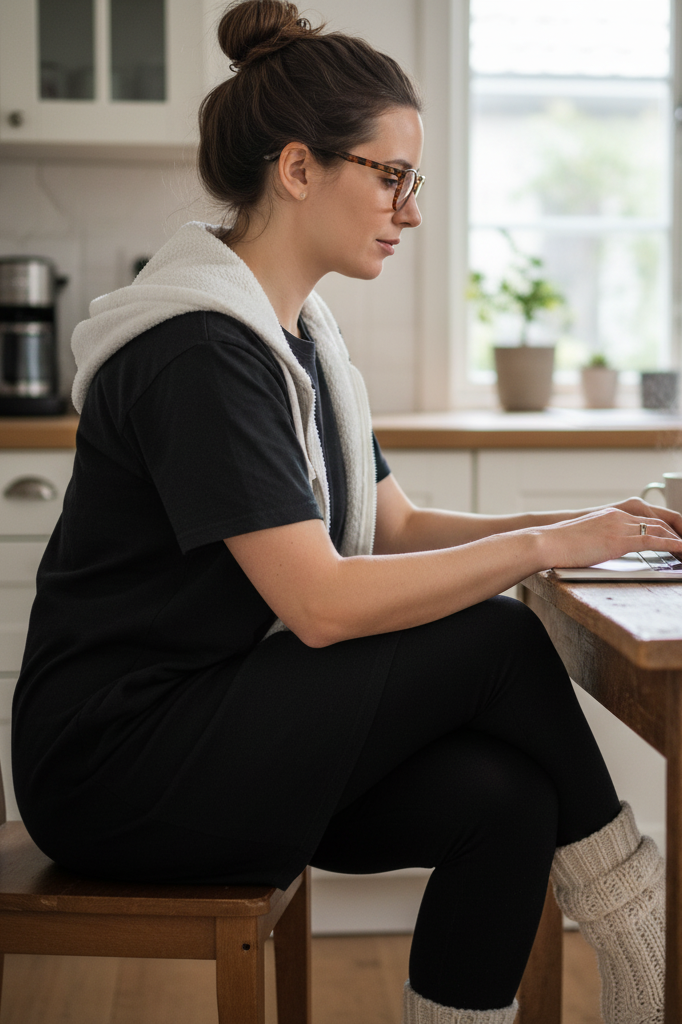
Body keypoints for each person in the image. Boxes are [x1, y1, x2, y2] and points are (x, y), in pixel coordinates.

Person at [11, 2, 681, 1021]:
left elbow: (396, 526)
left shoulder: (297, 342)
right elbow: (321, 603)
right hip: (123, 765)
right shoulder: (200, 351)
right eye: (389, 175)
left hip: (225, 721)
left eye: (413, 182)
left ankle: (613, 929)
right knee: (498, 638)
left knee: (509, 801)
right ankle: (641, 922)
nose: (409, 210)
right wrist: (543, 545)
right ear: (297, 168)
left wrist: (587, 521)